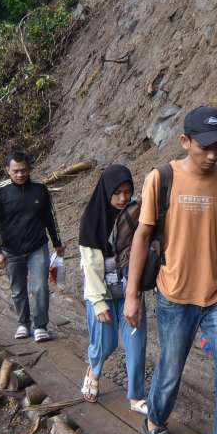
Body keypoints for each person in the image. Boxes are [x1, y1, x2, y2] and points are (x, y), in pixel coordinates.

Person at [124, 106, 217, 434]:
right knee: (171, 369)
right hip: (174, 294)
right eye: (203, 146)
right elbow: (142, 236)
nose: (211, 155)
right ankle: (155, 419)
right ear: (184, 141)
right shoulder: (161, 178)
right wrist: (132, 295)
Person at [78, 164, 148, 415]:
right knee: (104, 344)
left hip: (130, 293)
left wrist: (137, 292)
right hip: (102, 294)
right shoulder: (91, 221)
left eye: (127, 192)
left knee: (136, 344)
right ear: (106, 191)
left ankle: (136, 395)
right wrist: (97, 302)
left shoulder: (136, 214)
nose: (123, 198)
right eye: (117, 192)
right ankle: (94, 370)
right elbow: (90, 266)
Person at [0, 151, 64, 342]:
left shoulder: (40, 189)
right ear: (7, 170)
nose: (20, 175)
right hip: (11, 249)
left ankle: (40, 326)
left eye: (24, 170)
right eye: (16, 171)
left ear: (29, 169)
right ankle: (23, 323)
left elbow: (50, 217)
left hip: (37, 246)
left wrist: (58, 242)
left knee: (40, 288)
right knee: (18, 289)